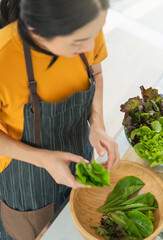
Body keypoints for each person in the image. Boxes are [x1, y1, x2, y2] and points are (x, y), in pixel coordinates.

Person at [0, 0, 120, 239]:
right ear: (38, 30)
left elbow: (95, 70)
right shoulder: (4, 57)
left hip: (78, 151)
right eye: (78, 42)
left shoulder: (85, 22)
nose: (90, 46)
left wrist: (97, 124)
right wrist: (44, 159)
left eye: (95, 33)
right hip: (26, 178)